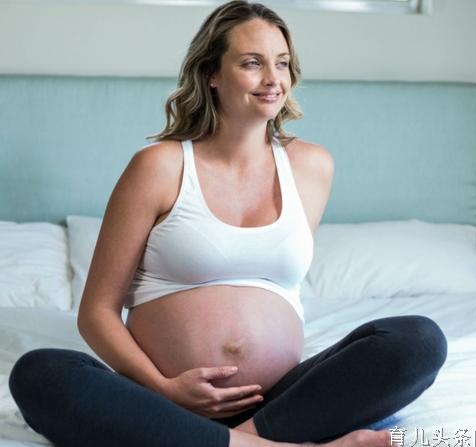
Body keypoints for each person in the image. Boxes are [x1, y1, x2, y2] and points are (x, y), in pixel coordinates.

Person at [8, 1, 448, 446]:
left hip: (282, 402)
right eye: (252, 63)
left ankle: (238, 440)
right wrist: (163, 388)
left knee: (419, 341)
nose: (273, 79)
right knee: (39, 373)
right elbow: (97, 313)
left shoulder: (312, 167)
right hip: (165, 401)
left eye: (282, 63)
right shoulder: (159, 167)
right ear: (211, 73)